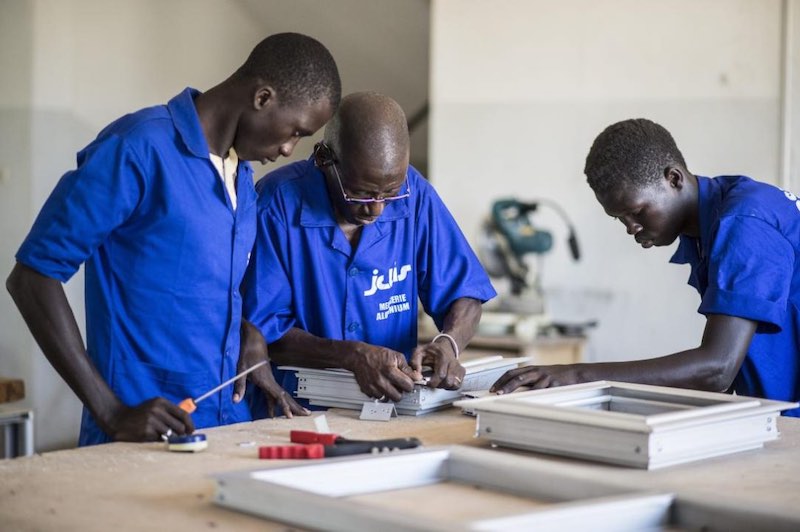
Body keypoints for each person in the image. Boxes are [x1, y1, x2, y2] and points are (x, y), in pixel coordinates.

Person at [6, 33, 342, 445]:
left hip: (228, 430)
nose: (290, 149)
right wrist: (110, 411)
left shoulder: (245, 180)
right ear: (263, 98)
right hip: (142, 434)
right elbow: (32, 276)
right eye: (295, 131)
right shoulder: (137, 148)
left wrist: (245, 330)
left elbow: (189, 290)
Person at [491, 118, 800, 417]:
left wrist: (575, 374)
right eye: (619, 218)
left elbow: (717, 368)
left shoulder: (744, 223)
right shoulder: (709, 226)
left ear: (674, 179)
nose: (630, 227)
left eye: (637, 211)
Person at [242, 91, 497, 410]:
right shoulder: (277, 205)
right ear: (324, 159)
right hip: (297, 409)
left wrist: (449, 343)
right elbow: (261, 331)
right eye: (360, 193)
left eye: (388, 194)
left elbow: (466, 292)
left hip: (390, 406)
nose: (376, 209)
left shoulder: (413, 193)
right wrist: (350, 355)